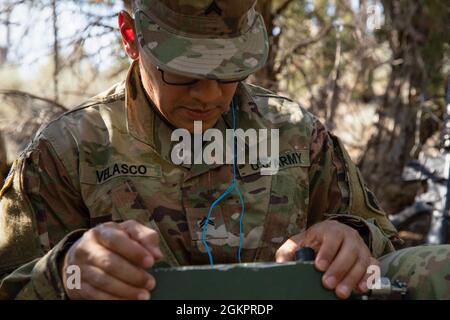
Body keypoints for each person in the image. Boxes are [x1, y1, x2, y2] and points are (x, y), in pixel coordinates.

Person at [0, 0, 448, 300]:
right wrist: (66, 273)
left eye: (228, 68)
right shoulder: (66, 150)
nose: (209, 94)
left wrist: (352, 237)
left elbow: (381, 245)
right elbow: (10, 284)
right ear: (131, 37)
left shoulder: (294, 132)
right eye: (184, 71)